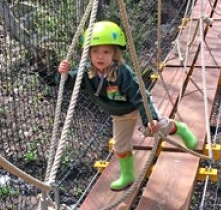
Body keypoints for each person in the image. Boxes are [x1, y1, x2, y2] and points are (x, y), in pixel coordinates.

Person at [58, 21, 198, 191]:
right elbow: (68, 82)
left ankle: (180, 128)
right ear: (89, 53)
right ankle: (127, 175)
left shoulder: (122, 72)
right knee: (120, 145)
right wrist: (63, 74)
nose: (100, 56)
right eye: (95, 51)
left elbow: (140, 95)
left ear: (114, 53)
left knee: (159, 128)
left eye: (106, 51)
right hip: (119, 115)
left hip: (138, 108)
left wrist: (149, 117)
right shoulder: (87, 72)